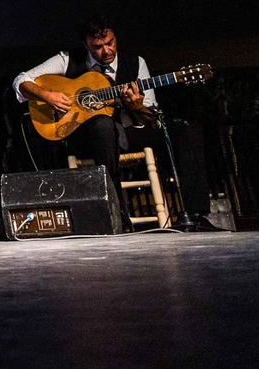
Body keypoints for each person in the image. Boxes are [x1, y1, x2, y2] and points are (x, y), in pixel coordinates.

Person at [14, 14, 221, 230]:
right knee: (103, 125)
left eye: (110, 43)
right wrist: (47, 96)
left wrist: (137, 106)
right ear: (86, 44)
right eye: (98, 47)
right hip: (87, 137)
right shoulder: (68, 59)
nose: (107, 51)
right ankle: (117, 215)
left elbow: (148, 117)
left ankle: (196, 214)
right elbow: (21, 80)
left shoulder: (136, 63)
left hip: (128, 133)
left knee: (186, 129)